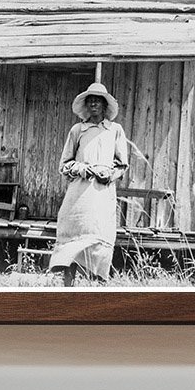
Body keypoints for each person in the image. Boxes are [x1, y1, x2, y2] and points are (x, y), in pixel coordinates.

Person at [49, 81, 129, 287]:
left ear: (104, 106)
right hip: (79, 193)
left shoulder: (115, 130)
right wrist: (82, 169)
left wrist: (109, 174)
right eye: (90, 101)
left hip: (102, 193)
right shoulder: (78, 130)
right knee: (74, 237)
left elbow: (122, 165)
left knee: (99, 236)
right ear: (86, 106)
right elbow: (64, 164)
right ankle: (68, 285)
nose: (93, 104)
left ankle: (97, 287)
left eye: (97, 101)